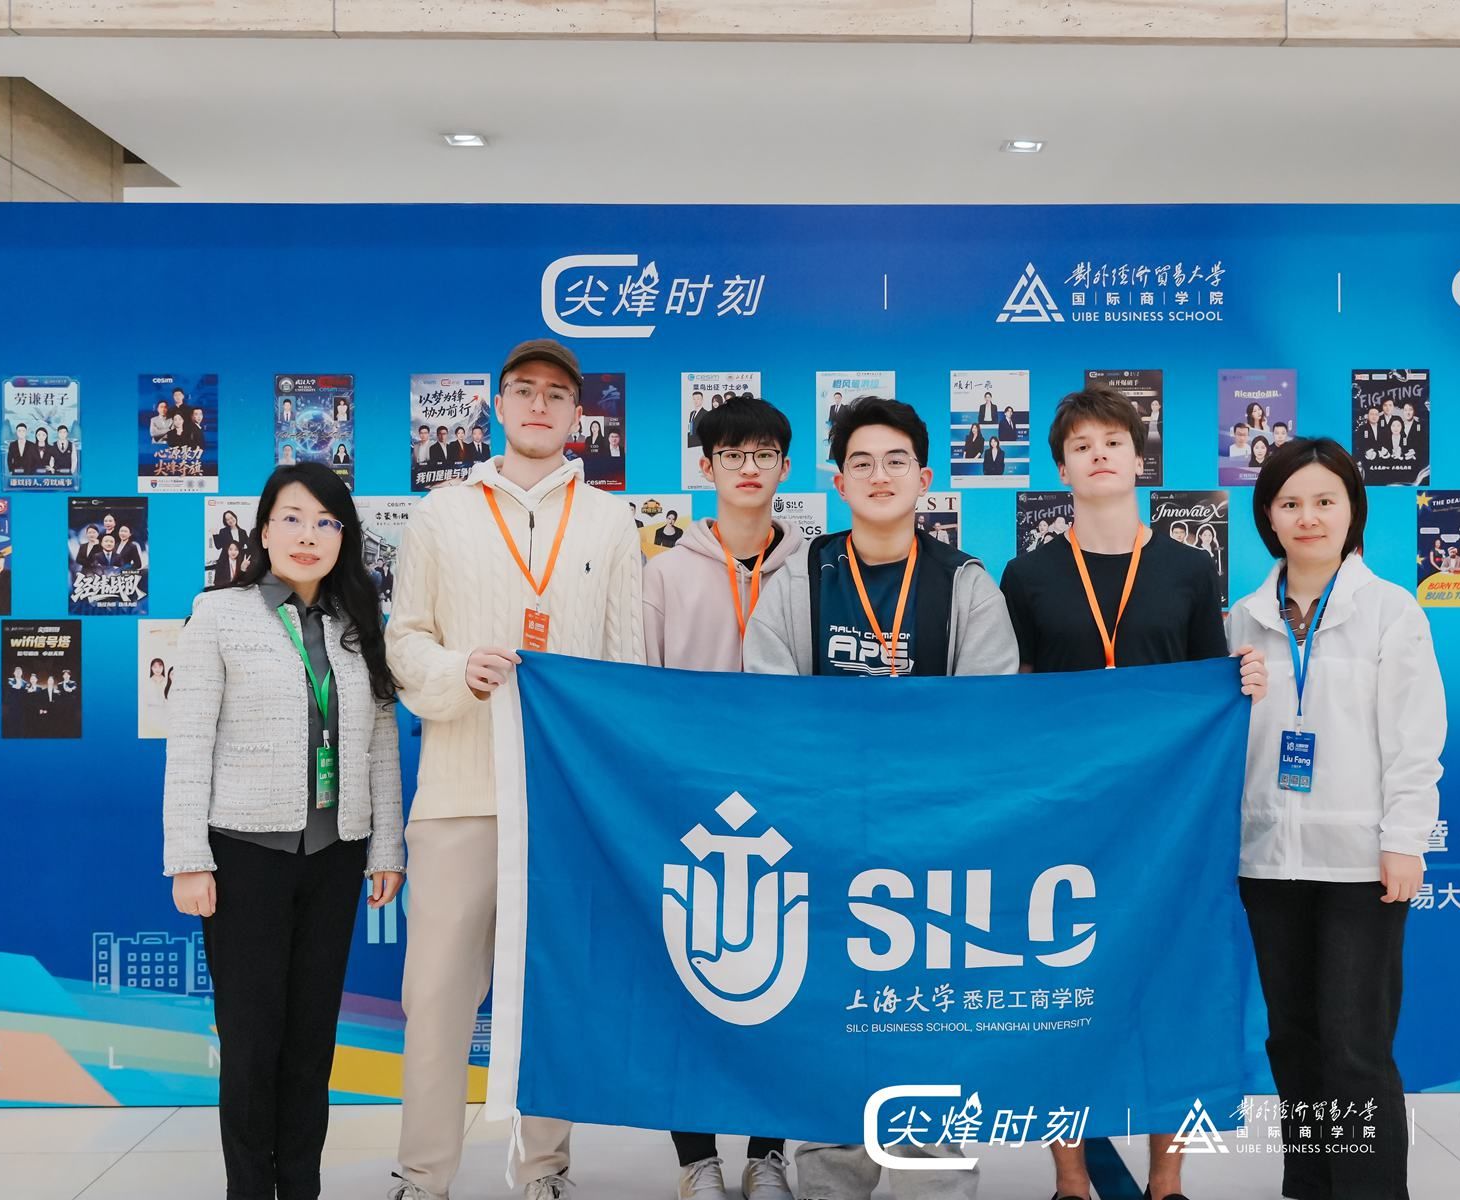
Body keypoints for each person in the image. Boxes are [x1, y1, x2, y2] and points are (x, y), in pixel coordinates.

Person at [384, 338, 643, 1200]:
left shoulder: (610, 521)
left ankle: (544, 1170)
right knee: (436, 998)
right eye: (524, 390)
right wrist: (458, 671)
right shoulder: (441, 513)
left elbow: (625, 667)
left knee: (553, 997)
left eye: (556, 394)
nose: (539, 405)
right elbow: (403, 640)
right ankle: (423, 1175)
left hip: (564, 805)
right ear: (497, 405)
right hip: (458, 793)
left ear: (578, 415)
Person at [999, 388, 1266, 1200]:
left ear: (1139, 456)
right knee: (1060, 990)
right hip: (1067, 813)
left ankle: (1167, 1178)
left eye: (1113, 441)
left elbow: (1209, 686)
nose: (1100, 455)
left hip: (1166, 820)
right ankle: (1071, 1178)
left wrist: (1242, 678)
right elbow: (1018, 697)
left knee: (1170, 985)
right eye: (1081, 446)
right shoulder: (1029, 573)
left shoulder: (1189, 568)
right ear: (1062, 468)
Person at [745, 394, 1014, 1200]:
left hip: (934, 854)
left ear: (925, 478)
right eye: (860, 462)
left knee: (930, 1023)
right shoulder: (800, 577)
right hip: (828, 846)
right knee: (835, 1023)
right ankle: (830, 1181)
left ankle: (935, 1184)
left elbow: (988, 721)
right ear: (838, 483)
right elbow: (770, 709)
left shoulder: (965, 584)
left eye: (897, 461)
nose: (879, 475)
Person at [162, 462, 404, 1200]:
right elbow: (189, 743)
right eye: (292, 519)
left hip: (334, 857)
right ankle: (249, 1189)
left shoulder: (359, 624)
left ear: (344, 538)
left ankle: (301, 1186)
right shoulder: (218, 614)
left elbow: (380, 746)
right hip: (245, 857)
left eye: (326, 522)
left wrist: (386, 846)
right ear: (263, 531)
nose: (308, 536)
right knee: (251, 1042)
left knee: (311, 1043)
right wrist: (188, 858)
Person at [1231, 436, 1445, 1200]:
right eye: (1290, 503)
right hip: (1268, 863)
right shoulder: (1243, 618)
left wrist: (1405, 842)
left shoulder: (1390, 611)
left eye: (1325, 500)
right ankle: (1312, 1186)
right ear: (1268, 516)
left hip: (1360, 865)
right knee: (1291, 1042)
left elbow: (1416, 742)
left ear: (1353, 509)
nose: (1308, 517)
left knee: (1356, 1047)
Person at [642, 394, 803, 1200]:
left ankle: (768, 1153)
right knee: (690, 979)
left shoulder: (814, 567)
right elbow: (638, 692)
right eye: (732, 454)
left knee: (788, 976)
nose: (748, 467)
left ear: (785, 467)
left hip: (787, 801)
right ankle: (695, 1158)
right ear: (705, 467)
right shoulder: (665, 573)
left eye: (763, 453)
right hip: (692, 806)